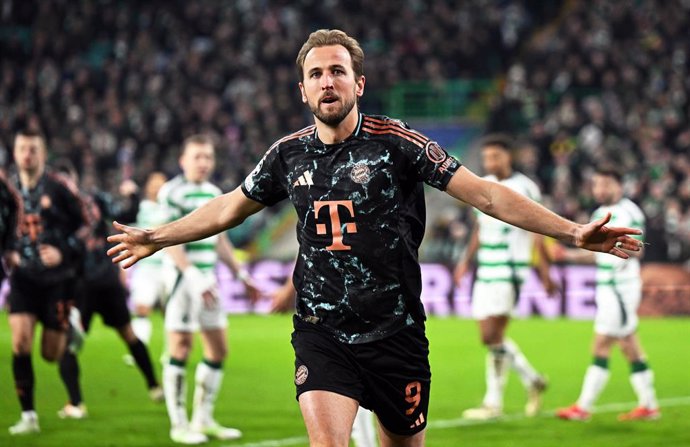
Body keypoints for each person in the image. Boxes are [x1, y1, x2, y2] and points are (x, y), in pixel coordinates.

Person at [107, 29, 643, 447]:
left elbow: (485, 194)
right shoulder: (286, 154)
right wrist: (156, 235)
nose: (327, 82)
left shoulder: (398, 143)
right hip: (322, 332)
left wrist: (574, 232)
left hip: (396, 333)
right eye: (315, 74)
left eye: (337, 71)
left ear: (358, 83)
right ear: (302, 89)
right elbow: (228, 206)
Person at [156, 135, 259, 444]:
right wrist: (190, 275)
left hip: (208, 281)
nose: (203, 163)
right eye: (197, 157)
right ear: (183, 161)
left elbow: (221, 240)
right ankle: (179, 424)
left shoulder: (214, 193)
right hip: (181, 282)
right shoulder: (172, 193)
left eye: (208, 158)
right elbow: (165, 238)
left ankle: (203, 419)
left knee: (218, 349)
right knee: (181, 348)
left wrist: (240, 274)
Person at [453, 135, 556, 420]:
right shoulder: (482, 184)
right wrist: (465, 261)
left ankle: (495, 401)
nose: (490, 162)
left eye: (496, 156)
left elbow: (538, 229)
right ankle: (528, 382)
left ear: (508, 156)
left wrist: (544, 272)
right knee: (491, 338)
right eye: (487, 157)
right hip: (486, 269)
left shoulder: (525, 187)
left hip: (510, 269)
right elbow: (479, 228)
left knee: (491, 335)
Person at [54, 161, 163, 421]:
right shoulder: (96, 200)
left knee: (67, 344)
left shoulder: (57, 212)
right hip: (107, 278)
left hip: (84, 285)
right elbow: (128, 213)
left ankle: (76, 404)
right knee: (128, 334)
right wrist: (133, 195)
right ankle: (154, 386)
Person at [555, 166, 659, 421]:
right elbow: (596, 252)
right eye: (596, 184)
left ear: (619, 186)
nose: (600, 189)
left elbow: (639, 250)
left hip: (620, 289)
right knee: (628, 345)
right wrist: (567, 254)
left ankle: (584, 407)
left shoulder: (628, 211)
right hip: (607, 288)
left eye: (605, 184)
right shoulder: (599, 213)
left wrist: (625, 249)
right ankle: (649, 405)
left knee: (603, 343)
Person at [6, 129, 87, 435]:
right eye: (22, 148)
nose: (27, 154)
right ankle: (28, 416)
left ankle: (71, 326)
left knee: (50, 354)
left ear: (43, 153)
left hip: (57, 280)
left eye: (33, 149)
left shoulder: (60, 187)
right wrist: (8, 251)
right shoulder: (6, 188)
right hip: (23, 278)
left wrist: (63, 250)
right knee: (20, 343)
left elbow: (88, 222)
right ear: (15, 153)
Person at [128, 171, 174, 347]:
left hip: (168, 266)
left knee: (169, 312)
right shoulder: (141, 208)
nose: (156, 188)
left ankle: (172, 351)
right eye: (153, 184)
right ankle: (140, 349)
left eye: (160, 185)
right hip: (146, 267)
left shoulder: (172, 209)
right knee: (142, 308)